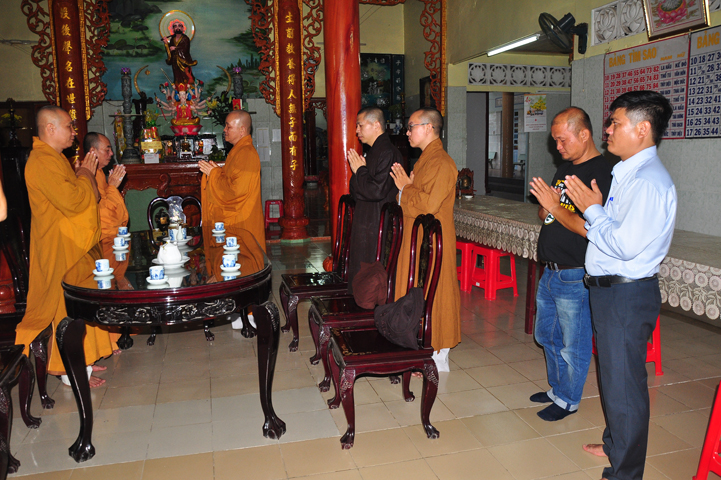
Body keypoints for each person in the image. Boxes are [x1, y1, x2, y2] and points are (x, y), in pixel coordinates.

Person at [564, 91, 677, 480]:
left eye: (615, 123)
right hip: (612, 291)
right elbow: (613, 231)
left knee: (625, 386)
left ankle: (626, 473)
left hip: (626, 294)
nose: (608, 130)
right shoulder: (629, 172)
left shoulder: (647, 181)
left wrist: (592, 210)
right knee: (614, 379)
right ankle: (616, 445)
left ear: (642, 129)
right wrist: (597, 209)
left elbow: (625, 245)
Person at [15, 106, 115, 388]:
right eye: (69, 126)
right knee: (63, 307)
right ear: (50, 128)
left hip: (70, 243)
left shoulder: (55, 158)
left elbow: (86, 196)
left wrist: (84, 175)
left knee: (79, 302)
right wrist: (85, 173)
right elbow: (74, 201)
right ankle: (68, 370)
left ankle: (84, 359)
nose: (74, 132)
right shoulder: (41, 161)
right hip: (58, 245)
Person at [528, 107, 612, 422]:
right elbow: (547, 213)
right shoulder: (564, 169)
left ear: (584, 134)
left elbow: (591, 229)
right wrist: (548, 206)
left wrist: (553, 207)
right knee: (546, 334)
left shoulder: (602, 173)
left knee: (573, 342)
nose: (558, 147)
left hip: (576, 272)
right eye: (555, 141)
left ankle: (569, 399)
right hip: (551, 270)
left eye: (563, 140)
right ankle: (558, 388)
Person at [390, 108, 460, 371]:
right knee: (418, 291)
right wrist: (406, 190)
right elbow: (411, 196)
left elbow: (428, 205)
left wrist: (405, 189)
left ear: (429, 127)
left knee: (436, 292)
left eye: (411, 126)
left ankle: (438, 354)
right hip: (418, 239)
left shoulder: (442, 163)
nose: (407, 132)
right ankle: (417, 343)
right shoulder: (425, 160)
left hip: (434, 241)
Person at [346, 107, 400, 293]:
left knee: (372, 272)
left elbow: (376, 191)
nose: (357, 131)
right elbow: (355, 190)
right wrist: (360, 175)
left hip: (378, 222)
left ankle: (371, 302)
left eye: (360, 125)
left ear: (376, 125)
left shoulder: (387, 152)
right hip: (367, 220)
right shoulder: (373, 151)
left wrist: (360, 171)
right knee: (361, 267)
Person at [199, 110, 265, 253]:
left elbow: (236, 191)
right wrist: (218, 171)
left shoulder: (246, 153)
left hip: (242, 223)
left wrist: (214, 174)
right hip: (238, 221)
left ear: (242, 130)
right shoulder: (238, 151)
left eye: (228, 126)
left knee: (243, 261)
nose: (224, 130)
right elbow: (231, 179)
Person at [84, 132, 128, 240]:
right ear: (93, 151)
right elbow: (105, 216)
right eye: (107, 150)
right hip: (101, 238)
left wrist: (111, 187)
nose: (112, 153)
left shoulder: (99, 173)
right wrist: (112, 187)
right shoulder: (86, 175)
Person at [163, 19, 197, 86]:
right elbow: (170, 50)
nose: (177, 27)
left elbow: (185, 49)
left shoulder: (185, 38)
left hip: (183, 61)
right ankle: (178, 89)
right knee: (177, 77)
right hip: (175, 62)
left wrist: (176, 48)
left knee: (186, 76)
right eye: (175, 26)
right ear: (173, 29)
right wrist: (166, 43)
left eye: (179, 26)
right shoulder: (172, 39)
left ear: (183, 28)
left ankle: (188, 88)